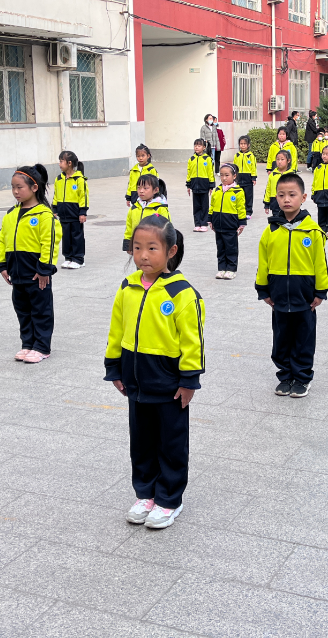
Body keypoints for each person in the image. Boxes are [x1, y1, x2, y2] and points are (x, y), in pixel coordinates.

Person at [106, 216, 204, 530]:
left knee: (171, 444)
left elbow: (193, 342)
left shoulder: (181, 293)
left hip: (169, 385)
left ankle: (169, 499)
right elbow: (116, 331)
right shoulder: (128, 287)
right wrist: (114, 366)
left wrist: (189, 380)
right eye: (137, 248)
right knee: (142, 442)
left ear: (171, 251)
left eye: (151, 248)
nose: (143, 255)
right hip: (136, 381)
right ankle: (145, 494)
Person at [256, 172, 328, 398]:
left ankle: (302, 377)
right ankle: (285, 375)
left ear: (303, 197)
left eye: (292, 194)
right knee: (281, 338)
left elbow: (320, 263)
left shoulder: (313, 231)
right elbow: (263, 262)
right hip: (278, 296)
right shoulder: (271, 231)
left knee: (304, 338)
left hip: (304, 297)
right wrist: (263, 289)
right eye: (281, 195)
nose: (286, 199)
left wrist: (320, 291)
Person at [0, 165, 62, 364]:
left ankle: (42, 347)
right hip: (17, 272)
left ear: (34, 188)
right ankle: (28, 343)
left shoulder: (44, 215)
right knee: (22, 309)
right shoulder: (11, 214)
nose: (15, 192)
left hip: (36, 274)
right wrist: (2, 265)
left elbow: (50, 244)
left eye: (19, 187)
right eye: (13, 187)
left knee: (41, 310)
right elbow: (2, 239)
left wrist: (44, 270)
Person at [209, 164, 246, 280]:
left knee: (231, 248)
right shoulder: (217, 190)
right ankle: (221, 268)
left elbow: (241, 208)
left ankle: (231, 269)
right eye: (222, 175)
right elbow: (212, 205)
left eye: (227, 175)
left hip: (231, 226)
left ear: (234, 176)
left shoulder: (238, 192)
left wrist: (242, 223)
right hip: (218, 225)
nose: (224, 178)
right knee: (220, 248)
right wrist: (210, 219)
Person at [54, 150, 89, 270]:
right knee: (66, 237)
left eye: (61, 161)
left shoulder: (79, 179)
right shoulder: (58, 179)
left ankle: (78, 259)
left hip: (75, 214)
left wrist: (83, 212)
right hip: (63, 214)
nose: (59, 164)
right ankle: (68, 258)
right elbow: (56, 195)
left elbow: (83, 196)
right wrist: (54, 208)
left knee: (77, 236)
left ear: (69, 163)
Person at [123, 175, 170, 252]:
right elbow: (129, 227)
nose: (141, 191)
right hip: (138, 246)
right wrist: (128, 245)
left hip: (154, 247)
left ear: (155, 190)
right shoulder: (134, 208)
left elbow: (167, 228)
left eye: (145, 188)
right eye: (139, 188)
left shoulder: (160, 208)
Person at [186, 139, 215, 231]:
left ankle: (204, 224)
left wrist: (211, 185)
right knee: (196, 206)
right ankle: (197, 224)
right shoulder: (191, 159)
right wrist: (188, 184)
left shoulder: (208, 159)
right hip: (195, 186)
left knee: (204, 206)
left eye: (199, 146)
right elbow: (189, 172)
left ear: (204, 147)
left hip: (204, 185)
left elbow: (210, 172)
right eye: (195, 145)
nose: (196, 147)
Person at [233, 135, 258, 216]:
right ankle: (240, 211)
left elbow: (253, 167)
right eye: (241, 143)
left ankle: (248, 212)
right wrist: (233, 176)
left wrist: (253, 177)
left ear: (248, 145)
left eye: (244, 144)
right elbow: (234, 167)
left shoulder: (251, 156)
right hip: (239, 178)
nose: (243, 145)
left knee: (248, 196)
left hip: (248, 179)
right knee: (239, 195)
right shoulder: (237, 155)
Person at [263, 150, 293, 215]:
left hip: (288, 204)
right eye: (277, 159)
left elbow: (297, 190)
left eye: (282, 159)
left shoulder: (292, 175)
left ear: (288, 161)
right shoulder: (273, 174)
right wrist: (266, 204)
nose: (279, 162)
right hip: (275, 204)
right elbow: (268, 189)